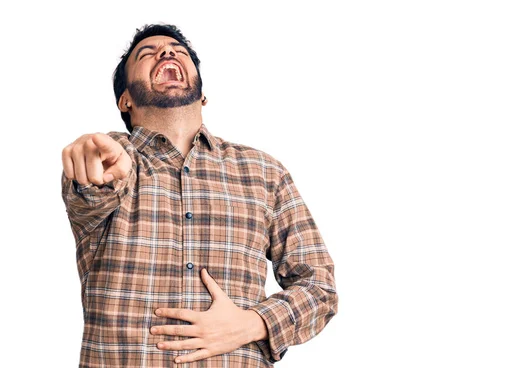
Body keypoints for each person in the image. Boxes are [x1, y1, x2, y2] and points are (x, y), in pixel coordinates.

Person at [61, 24, 338, 367]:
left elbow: (319, 287)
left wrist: (253, 323)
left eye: (178, 50)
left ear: (202, 94)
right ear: (125, 99)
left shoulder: (264, 172)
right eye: (147, 53)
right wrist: (93, 163)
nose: (166, 52)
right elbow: (90, 195)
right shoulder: (111, 160)